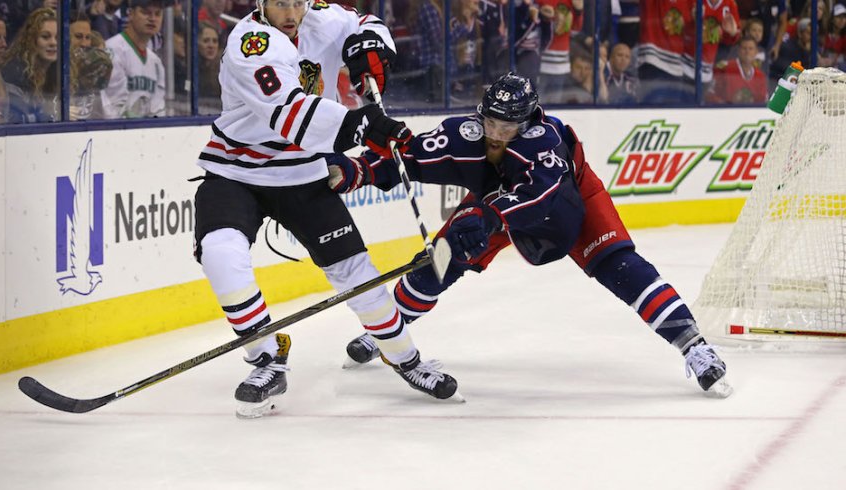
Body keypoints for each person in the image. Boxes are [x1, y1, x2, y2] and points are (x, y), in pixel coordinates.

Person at [328, 72, 733, 398]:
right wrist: (355, 171)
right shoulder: (466, 134)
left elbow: (539, 197)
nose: (495, 133)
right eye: (489, 121)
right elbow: (411, 156)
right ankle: (386, 332)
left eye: (507, 125)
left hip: (569, 198)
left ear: (529, 120)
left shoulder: (546, 142)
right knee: (440, 260)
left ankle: (694, 346)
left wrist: (488, 218)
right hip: (495, 205)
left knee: (620, 265)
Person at [192, 0, 462, 418]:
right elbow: (289, 112)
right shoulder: (251, 42)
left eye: (296, 2)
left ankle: (406, 359)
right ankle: (266, 357)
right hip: (236, 170)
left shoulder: (323, 17)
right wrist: (362, 124)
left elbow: (365, 22)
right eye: (279, 3)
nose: (290, 12)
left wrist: (370, 44)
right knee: (220, 252)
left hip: (302, 172)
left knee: (356, 272)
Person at [99, 0, 166, 119]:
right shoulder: (111, 50)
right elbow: (112, 107)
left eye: (158, 14)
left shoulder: (156, 63)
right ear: (130, 14)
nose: (152, 18)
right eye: (145, 12)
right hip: (115, 132)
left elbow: (158, 110)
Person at [0, 7, 59, 123]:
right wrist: (52, 114)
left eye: (57, 38)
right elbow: (17, 119)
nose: (53, 43)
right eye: (45, 37)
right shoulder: (15, 72)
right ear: (32, 39)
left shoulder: (58, 72)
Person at [708, 37, 767, 104]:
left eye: (750, 49)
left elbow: (762, 101)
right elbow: (711, 94)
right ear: (738, 51)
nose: (747, 52)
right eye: (744, 48)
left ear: (756, 52)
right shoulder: (725, 68)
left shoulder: (760, 76)